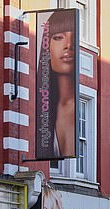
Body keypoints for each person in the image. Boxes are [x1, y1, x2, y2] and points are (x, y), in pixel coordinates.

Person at [36, 10, 76, 159]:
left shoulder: (77, 109)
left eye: (74, 37)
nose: (68, 45)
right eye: (58, 37)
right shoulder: (43, 105)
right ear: (48, 45)